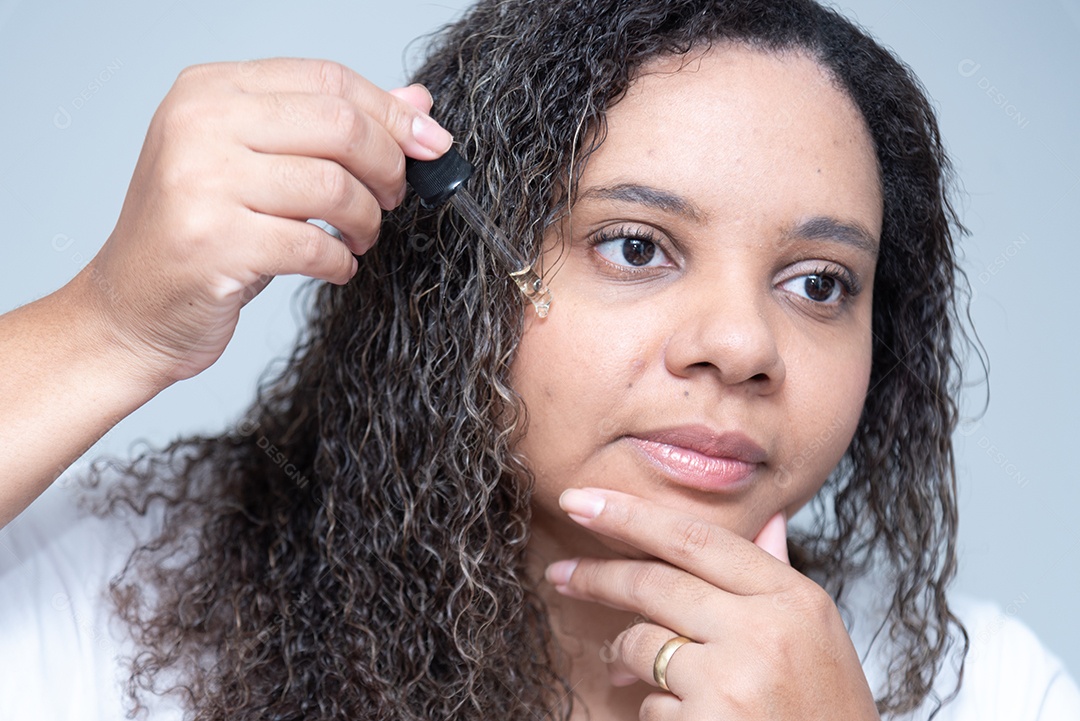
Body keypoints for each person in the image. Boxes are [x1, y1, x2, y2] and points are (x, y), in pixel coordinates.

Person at [1, 0, 1077, 719]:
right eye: (636, 247)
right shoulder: (117, 599)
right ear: (453, 286)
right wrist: (111, 323)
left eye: (819, 283)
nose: (745, 346)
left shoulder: (989, 687)